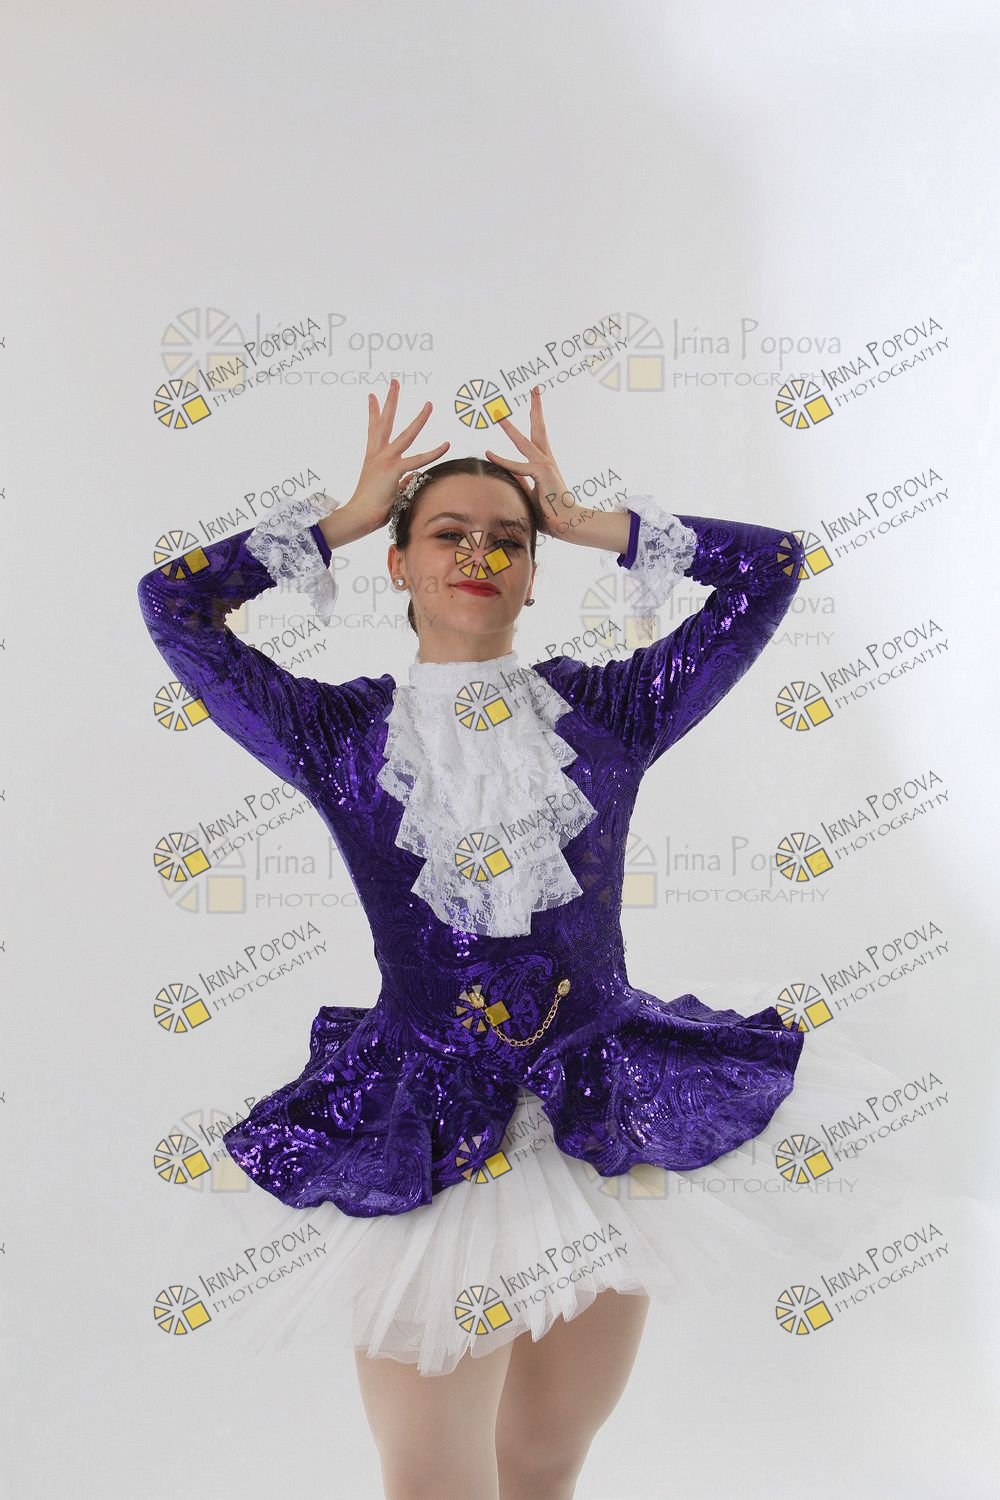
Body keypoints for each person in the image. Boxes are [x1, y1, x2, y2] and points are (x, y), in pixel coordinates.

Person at [138, 381, 917, 1500]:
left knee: (546, 1461)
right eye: (445, 533)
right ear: (398, 565)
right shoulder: (335, 733)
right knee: (432, 1480)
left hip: (603, 1117)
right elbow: (172, 602)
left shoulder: (608, 712)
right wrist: (339, 520)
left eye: (509, 538)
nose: (480, 553)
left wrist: (591, 521)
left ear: (536, 572)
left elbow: (775, 566)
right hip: (418, 1129)